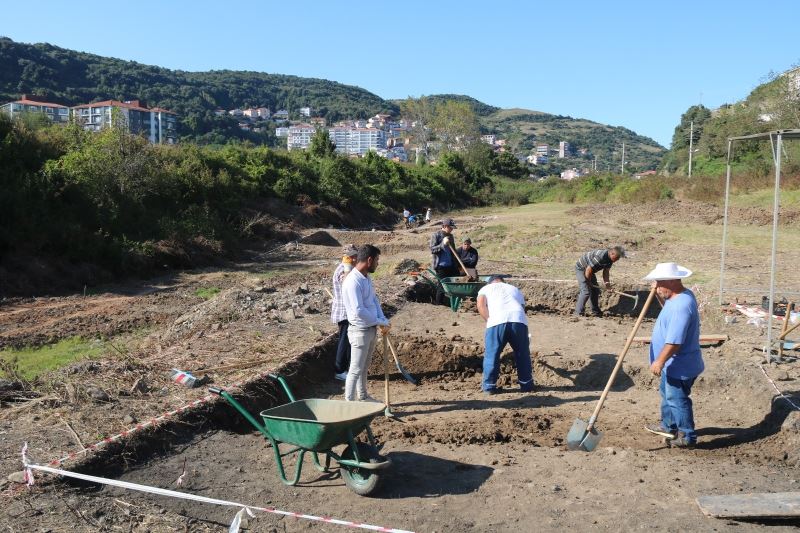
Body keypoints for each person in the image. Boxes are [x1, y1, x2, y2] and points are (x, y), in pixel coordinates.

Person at [642, 262, 703, 448]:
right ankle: (668, 426)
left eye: (660, 283)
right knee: (667, 395)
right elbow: (667, 306)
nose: (657, 287)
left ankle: (687, 436)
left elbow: (675, 342)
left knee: (677, 399)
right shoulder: (680, 296)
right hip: (673, 364)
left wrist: (659, 361)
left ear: (672, 282)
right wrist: (659, 295)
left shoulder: (681, 307)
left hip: (679, 363)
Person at [342, 244, 391, 402]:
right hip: (359, 331)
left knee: (364, 368)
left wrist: (382, 319)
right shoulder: (352, 282)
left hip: (370, 329)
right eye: (377, 260)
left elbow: (373, 300)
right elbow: (358, 311)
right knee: (355, 369)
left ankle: (362, 397)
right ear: (369, 260)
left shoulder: (366, 278)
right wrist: (378, 320)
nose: (378, 263)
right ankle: (349, 404)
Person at [476, 276, 534, 394]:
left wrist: (489, 321)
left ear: (490, 282)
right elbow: (522, 308)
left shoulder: (485, 289)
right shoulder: (514, 288)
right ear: (503, 281)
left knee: (492, 355)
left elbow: (481, 305)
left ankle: (489, 387)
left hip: (496, 322)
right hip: (518, 320)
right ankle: (526, 385)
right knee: (522, 354)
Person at [330, 244, 358, 381]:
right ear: (351, 257)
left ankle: (345, 368)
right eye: (355, 256)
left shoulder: (349, 267)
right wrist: (348, 268)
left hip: (347, 311)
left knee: (347, 341)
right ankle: (340, 371)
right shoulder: (343, 269)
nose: (357, 259)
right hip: (344, 312)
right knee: (344, 341)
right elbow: (346, 283)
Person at [574, 245, 626, 317]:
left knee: (595, 290)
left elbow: (606, 272)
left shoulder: (610, 260)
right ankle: (578, 313)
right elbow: (588, 269)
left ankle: (595, 311)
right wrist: (588, 282)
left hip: (589, 270)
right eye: (616, 258)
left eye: (618, 259)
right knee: (586, 291)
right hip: (581, 268)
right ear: (612, 253)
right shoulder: (601, 256)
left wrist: (608, 286)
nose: (616, 260)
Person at [429, 219, 460, 305]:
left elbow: (453, 251)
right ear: (445, 226)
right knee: (442, 286)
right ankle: (439, 304)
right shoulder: (436, 235)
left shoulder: (451, 236)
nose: (452, 229)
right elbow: (432, 249)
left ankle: (454, 302)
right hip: (440, 266)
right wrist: (443, 244)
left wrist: (458, 263)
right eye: (450, 227)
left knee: (455, 284)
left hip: (451, 265)